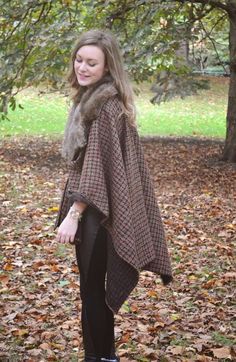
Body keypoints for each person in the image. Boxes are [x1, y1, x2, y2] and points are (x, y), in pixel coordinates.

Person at [55, 29, 173, 362]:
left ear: (107, 68)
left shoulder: (105, 107)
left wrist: (74, 215)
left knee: (93, 293)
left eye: (91, 62)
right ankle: (102, 355)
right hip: (97, 207)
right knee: (91, 292)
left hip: (97, 213)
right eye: (79, 59)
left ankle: (102, 358)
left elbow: (95, 168)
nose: (82, 67)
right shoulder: (89, 100)